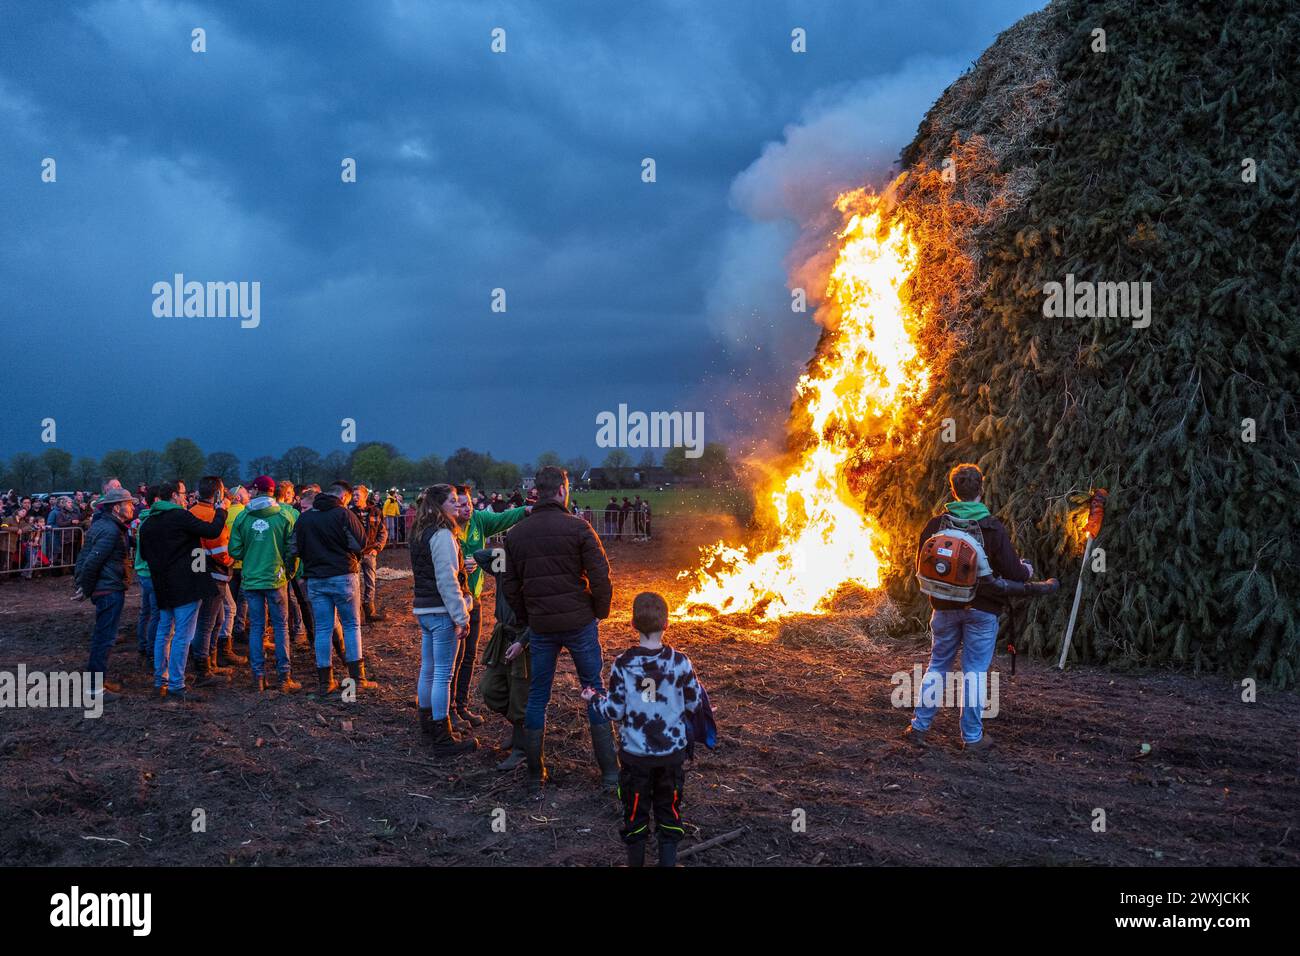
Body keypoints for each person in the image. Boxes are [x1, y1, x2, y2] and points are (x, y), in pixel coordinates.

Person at [906, 463, 1035, 751]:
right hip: (982, 610)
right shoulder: (991, 527)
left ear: (953, 490)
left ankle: (918, 727)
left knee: (937, 665)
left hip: (943, 606)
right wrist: (1027, 571)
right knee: (974, 672)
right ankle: (972, 737)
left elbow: (923, 563)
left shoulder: (936, 524)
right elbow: (1014, 571)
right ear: (981, 488)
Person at [503, 466, 615, 795]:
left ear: (537, 492)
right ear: (563, 490)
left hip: (541, 626)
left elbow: (511, 587)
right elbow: (601, 576)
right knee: (593, 689)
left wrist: (530, 617)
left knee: (538, 695)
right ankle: (610, 772)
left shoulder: (516, 534)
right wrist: (598, 612)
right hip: (579, 623)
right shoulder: (579, 528)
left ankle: (536, 773)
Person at [583, 592, 702, 867]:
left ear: (633, 625)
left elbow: (614, 711)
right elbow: (694, 703)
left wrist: (593, 700)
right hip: (671, 755)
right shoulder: (681, 662)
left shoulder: (623, 664)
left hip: (635, 757)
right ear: (667, 624)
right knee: (669, 810)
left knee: (635, 813)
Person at [138, 480, 228, 702]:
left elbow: (146, 555)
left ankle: (161, 680)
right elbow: (211, 531)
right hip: (186, 584)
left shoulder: (148, 523)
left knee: (164, 631)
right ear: (173, 496)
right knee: (183, 634)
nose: (185, 497)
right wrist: (221, 512)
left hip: (162, 584)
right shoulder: (179, 517)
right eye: (182, 493)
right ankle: (177, 684)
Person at [450, 483, 529, 732]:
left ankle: (460, 705)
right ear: (450, 506)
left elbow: (504, 517)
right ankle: (448, 710)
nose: (467, 509)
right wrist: (463, 565)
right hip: (452, 603)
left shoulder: (479, 520)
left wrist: (529, 510)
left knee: (469, 656)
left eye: (469, 504)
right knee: (452, 658)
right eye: (461, 504)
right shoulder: (445, 530)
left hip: (474, 599)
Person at [289, 480, 376, 696]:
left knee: (323, 629)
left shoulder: (304, 518)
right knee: (351, 625)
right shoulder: (343, 514)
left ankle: (325, 681)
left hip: (316, 578)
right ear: (344, 497)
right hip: (343, 575)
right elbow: (361, 543)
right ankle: (357, 678)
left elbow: (293, 548)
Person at [410, 484, 477, 756]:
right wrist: (461, 616)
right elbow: (447, 579)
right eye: (451, 500)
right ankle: (442, 736)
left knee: (428, 670)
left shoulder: (420, 533)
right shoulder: (442, 535)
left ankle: (428, 727)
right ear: (440, 505)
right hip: (441, 612)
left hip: (425, 610)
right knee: (442, 675)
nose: (457, 505)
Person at [228, 475, 299, 692]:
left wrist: (252, 551)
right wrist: (289, 572)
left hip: (251, 579)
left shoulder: (242, 517)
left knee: (257, 628)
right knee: (281, 627)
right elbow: (292, 550)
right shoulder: (285, 516)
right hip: (276, 579)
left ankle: (258, 677)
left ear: (257, 491)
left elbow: (235, 551)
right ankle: (284, 677)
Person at [72, 486, 136, 702]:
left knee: (103, 637)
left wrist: (80, 583)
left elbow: (83, 557)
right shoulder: (110, 531)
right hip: (109, 589)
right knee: (105, 639)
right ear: (117, 508)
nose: (132, 507)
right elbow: (91, 562)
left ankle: (97, 682)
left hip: (105, 587)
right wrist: (85, 588)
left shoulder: (102, 525)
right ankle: (94, 689)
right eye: (128, 504)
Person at [475, 543, 530, 770]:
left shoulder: (534, 571)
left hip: (524, 638)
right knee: (490, 688)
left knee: (520, 696)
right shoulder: (503, 565)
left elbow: (540, 614)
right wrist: (506, 552)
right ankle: (520, 733)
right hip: (503, 634)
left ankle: (522, 749)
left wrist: (523, 642)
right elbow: (480, 556)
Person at [190, 476, 243, 683]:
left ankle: (211, 662)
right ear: (218, 493)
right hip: (216, 573)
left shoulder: (192, 512)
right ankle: (203, 669)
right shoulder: (212, 515)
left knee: (217, 619)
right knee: (207, 622)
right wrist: (233, 560)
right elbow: (222, 549)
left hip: (200, 571)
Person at [131, 486, 161, 672]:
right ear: (157, 501)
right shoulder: (153, 521)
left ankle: (143, 645)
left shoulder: (142, 519)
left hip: (142, 570)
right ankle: (151, 651)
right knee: (156, 614)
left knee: (146, 611)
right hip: (151, 572)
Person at [349, 484, 389, 622]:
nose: (354, 498)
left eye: (357, 495)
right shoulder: (349, 513)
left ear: (365, 496)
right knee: (355, 584)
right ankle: (358, 614)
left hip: (370, 552)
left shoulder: (376, 512)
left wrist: (377, 548)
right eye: (353, 495)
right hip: (354, 554)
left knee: (370, 582)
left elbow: (382, 532)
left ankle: (370, 611)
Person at [225, 485, 251, 646]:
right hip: (244, 562)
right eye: (246, 494)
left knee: (230, 600)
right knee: (243, 600)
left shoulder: (224, 514)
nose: (249, 495)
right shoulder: (246, 514)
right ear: (239, 498)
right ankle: (239, 629)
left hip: (227, 563)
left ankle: (228, 628)